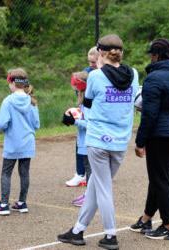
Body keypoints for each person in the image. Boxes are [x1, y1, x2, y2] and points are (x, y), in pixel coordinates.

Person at [57, 34, 139, 250]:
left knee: (103, 188)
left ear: (101, 53)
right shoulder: (135, 74)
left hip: (98, 141)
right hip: (120, 141)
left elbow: (89, 106)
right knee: (95, 185)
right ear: (121, 52)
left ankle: (110, 235)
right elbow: (133, 101)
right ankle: (77, 230)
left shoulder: (95, 76)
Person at [129, 38, 169, 240]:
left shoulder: (154, 78)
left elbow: (150, 114)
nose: (150, 57)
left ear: (156, 55)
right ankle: (147, 218)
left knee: (160, 179)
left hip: (160, 134)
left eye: (151, 54)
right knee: (160, 178)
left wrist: (140, 142)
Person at [0, 68, 40, 216]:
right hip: (28, 142)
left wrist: (5, 129)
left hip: (12, 143)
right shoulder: (31, 101)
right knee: (24, 173)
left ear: (12, 83)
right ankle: (22, 203)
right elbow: (36, 124)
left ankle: (4, 204)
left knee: (6, 173)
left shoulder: (8, 101)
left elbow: (1, 124)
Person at [66, 47, 99, 188]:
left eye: (94, 61)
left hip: (92, 131)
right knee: (82, 149)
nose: (91, 64)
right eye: (89, 61)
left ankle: (87, 184)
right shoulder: (87, 72)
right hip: (85, 128)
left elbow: (89, 122)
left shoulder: (102, 75)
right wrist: (75, 114)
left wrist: (75, 120)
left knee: (91, 158)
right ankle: (81, 174)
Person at [62, 71, 91, 207]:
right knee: (89, 171)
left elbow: (91, 124)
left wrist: (75, 121)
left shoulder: (88, 102)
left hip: (89, 143)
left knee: (91, 172)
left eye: (74, 85)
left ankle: (90, 198)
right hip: (83, 142)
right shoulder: (82, 101)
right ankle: (88, 195)